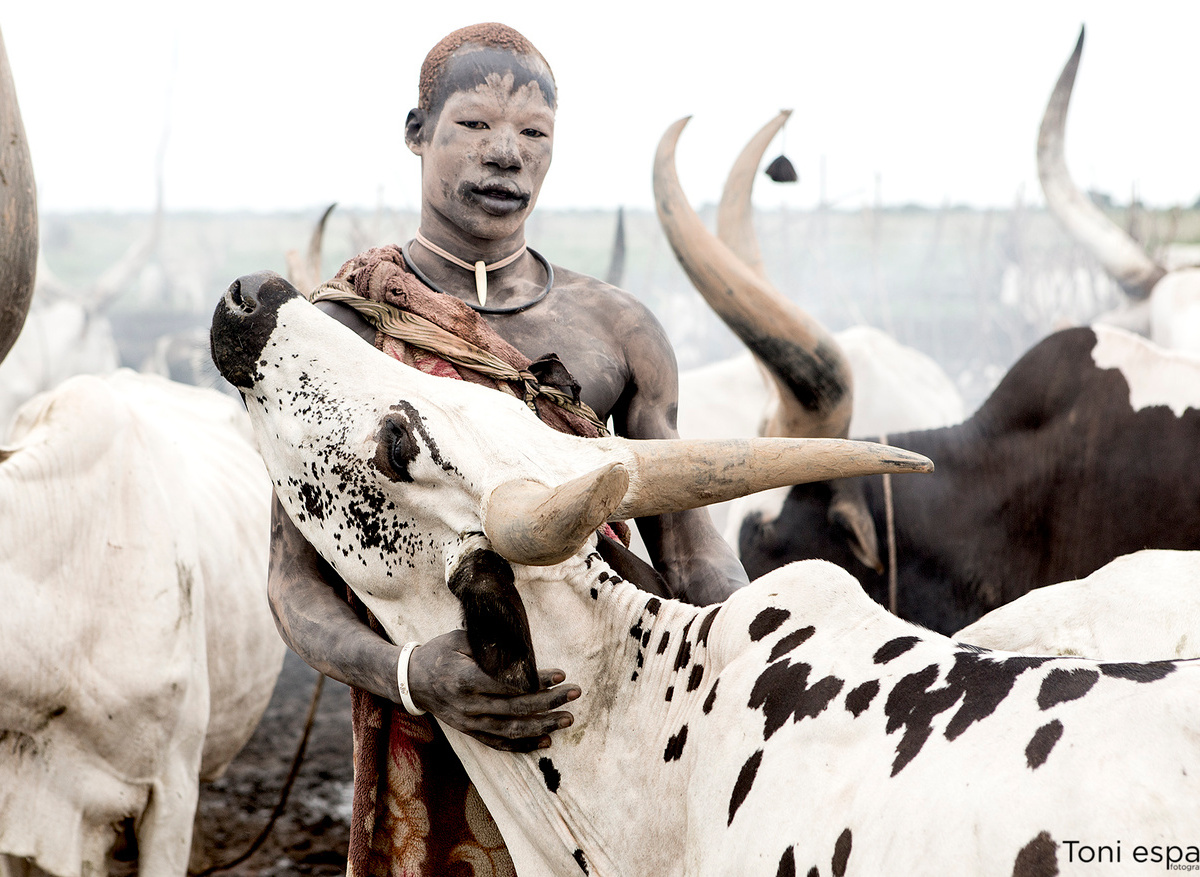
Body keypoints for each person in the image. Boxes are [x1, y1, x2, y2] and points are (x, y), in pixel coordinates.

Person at [266, 21, 747, 871]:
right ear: (416, 133)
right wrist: (416, 673)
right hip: (431, 732)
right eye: (474, 127)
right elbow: (292, 584)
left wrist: (757, 651)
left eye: (534, 135)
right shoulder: (338, 334)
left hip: (617, 724)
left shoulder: (618, 331)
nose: (507, 155)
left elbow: (693, 554)